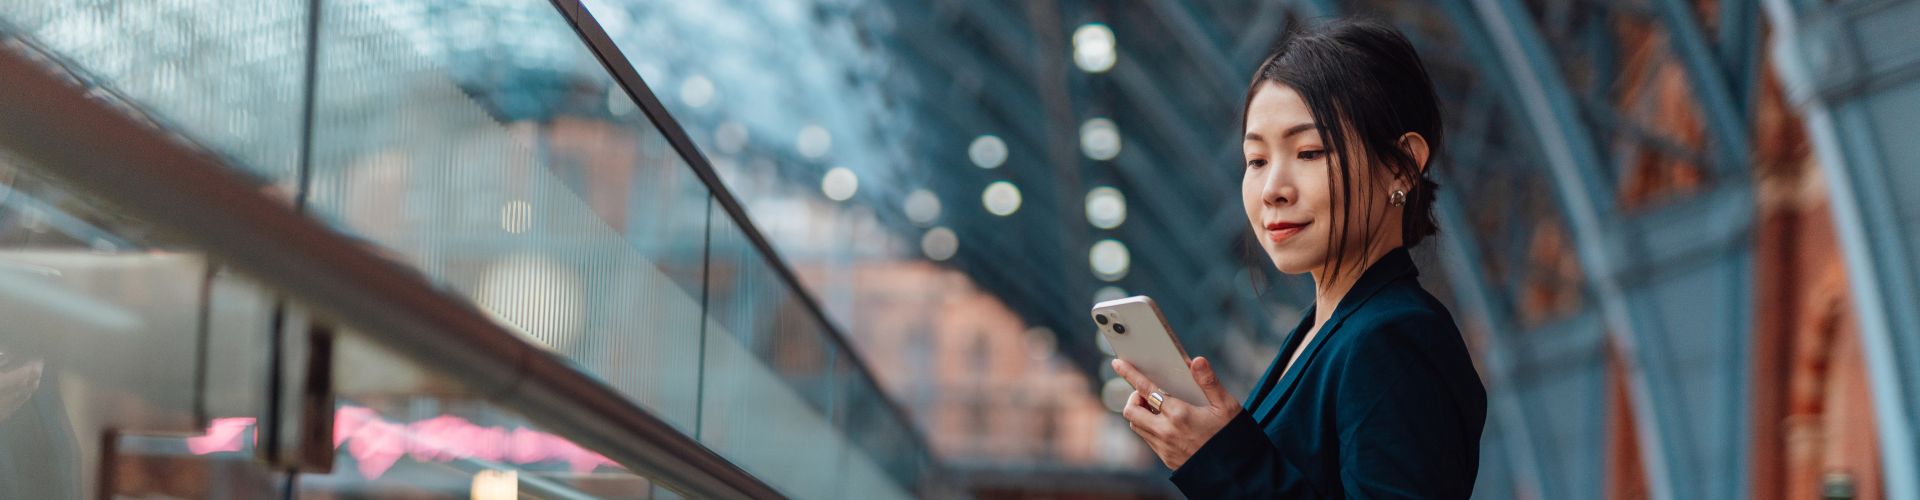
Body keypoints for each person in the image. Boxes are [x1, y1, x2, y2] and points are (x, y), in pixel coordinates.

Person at [1111, 18, 1488, 498]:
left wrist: (1221, 461)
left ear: (1402, 165)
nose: (1272, 190)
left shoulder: (1394, 339)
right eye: (1257, 160)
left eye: (1309, 152)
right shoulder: (1319, 335)